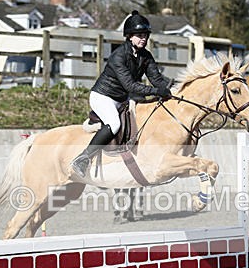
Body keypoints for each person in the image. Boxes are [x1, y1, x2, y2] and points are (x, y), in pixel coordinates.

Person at [70, 10, 173, 178]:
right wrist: (156, 91)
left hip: (122, 98)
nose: (143, 38)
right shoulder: (118, 56)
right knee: (114, 123)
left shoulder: (145, 56)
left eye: (145, 35)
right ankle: (83, 158)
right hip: (103, 96)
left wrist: (170, 90)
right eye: (139, 35)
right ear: (130, 36)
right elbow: (131, 86)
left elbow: (156, 79)